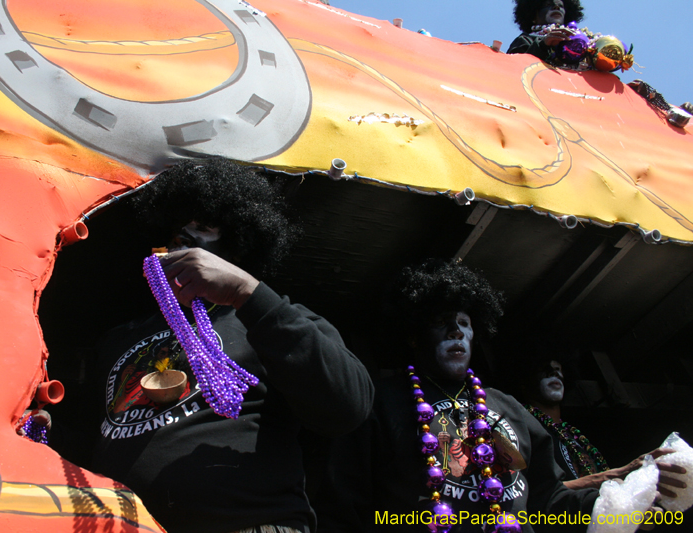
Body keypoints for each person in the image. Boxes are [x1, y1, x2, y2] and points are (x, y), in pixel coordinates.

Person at [46, 158, 374, 533]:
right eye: (176, 231)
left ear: (238, 247)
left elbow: (348, 406)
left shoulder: (271, 318)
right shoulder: (118, 339)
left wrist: (246, 293)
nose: (182, 238)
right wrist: (48, 432)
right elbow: (94, 444)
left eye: (202, 228)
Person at [315, 259, 683, 532]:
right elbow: (343, 505)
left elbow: (548, 501)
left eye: (464, 323)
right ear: (413, 335)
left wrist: (634, 491)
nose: (455, 331)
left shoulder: (508, 408)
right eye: (440, 322)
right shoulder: (378, 401)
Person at [519, 349, 687, 493]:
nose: (554, 373)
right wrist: (617, 475)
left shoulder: (573, 435)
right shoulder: (521, 427)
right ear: (524, 383)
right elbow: (535, 493)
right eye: (545, 370)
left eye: (558, 369)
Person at [507, 0, 584, 63]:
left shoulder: (578, 41)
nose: (557, 7)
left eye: (561, 6)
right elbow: (513, 68)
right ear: (534, 16)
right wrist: (543, 45)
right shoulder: (525, 39)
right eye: (548, 4)